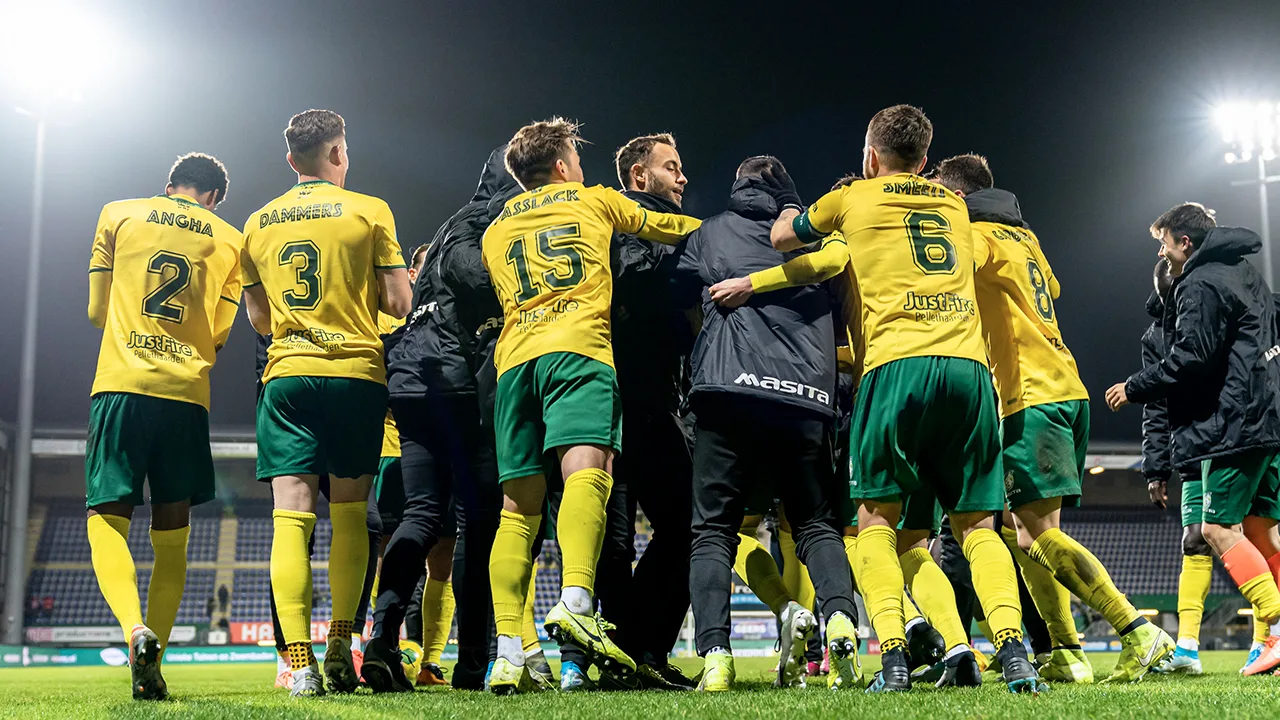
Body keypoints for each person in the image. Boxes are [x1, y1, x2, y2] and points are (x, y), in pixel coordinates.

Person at [768, 105, 1042, 694]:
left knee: (874, 522)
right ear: (924, 161)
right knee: (978, 528)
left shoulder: (852, 198)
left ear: (870, 156)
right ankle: (1014, 653)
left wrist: (791, 208)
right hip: (968, 371)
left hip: (894, 366)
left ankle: (893, 657)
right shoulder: (956, 206)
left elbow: (784, 239)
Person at [932, 153, 1175, 683]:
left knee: (1038, 535)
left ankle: (1137, 630)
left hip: (1029, 395)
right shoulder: (1025, 238)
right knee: (1026, 537)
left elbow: (943, 270)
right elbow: (1054, 289)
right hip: (1063, 386)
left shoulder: (976, 236)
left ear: (957, 198)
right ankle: (1066, 652)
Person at [480, 117, 701, 694]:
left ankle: (507, 652)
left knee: (516, 512)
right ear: (561, 165)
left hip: (514, 365)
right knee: (589, 473)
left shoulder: (495, 230)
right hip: (578, 351)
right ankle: (577, 602)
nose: (581, 167)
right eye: (576, 158)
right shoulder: (595, 200)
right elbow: (672, 227)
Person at [675, 155, 863, 692]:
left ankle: (716, 658)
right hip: (806, 398)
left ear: (737, 186)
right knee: (815, 525)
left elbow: (677, 298)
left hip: (727, 391)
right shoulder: (820, 239)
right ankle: (840, 622)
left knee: (714, 531)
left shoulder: (709, 233)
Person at [242, 109, 411, 697]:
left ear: (291, 160)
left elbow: (260, 321)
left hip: (288, 376)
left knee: (290, 520)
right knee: (350, 516)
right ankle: (341, 643)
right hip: (355, 376)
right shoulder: (370, 210)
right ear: (338, 153)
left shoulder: (256, 223)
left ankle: (298, 662)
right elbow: (398, 304)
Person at [85, 152, 241, 700]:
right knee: (172, 538)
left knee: (106, 517)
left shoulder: (118, 213)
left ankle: (134, 630)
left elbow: (97, 311)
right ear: (213, 198)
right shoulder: (230, 239)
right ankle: (154, 664)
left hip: (122, 385)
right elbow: (219, 334)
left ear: (170, 184)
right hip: (186, 396)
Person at [1106, 202, 1280, 677]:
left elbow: (1191, 360)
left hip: (1229, 428)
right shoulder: (1243, 272)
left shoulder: (1200, 284)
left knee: (1216, 530)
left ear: (1184, 243)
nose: (1161, 254)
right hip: (1259, 421)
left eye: (1164, 245)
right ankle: (1194, 647)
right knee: (1261, 532)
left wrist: (1133, 387)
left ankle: (1273, 627)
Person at [386, 146, 517, 690]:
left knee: (420, 514)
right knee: (478, 523)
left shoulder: (451, 222)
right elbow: (473, 277)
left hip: (411, 378)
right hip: (452, 380)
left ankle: (381, 644)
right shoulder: (488, 218)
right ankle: (471, 665)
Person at [574, 132, 698, 691]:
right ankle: (629, 650)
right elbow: (637, 286)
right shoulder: (623, 226)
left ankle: (639, 647)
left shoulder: (669, 232)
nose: (683, 177)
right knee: (622, 537)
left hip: (654, 399)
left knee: (689, 527)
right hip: (620, 398)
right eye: (672, 167)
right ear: (640, 177)